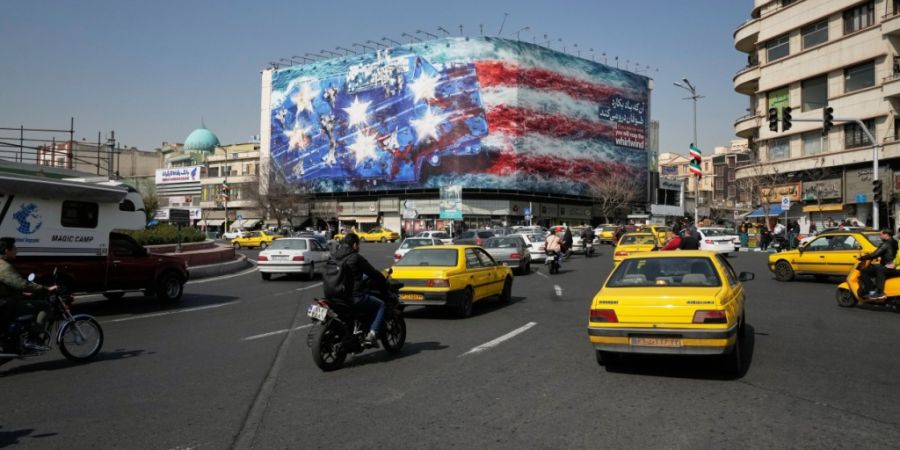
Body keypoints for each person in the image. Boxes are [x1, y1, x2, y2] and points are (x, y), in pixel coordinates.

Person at [330, 233, 388, 345]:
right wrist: (383, 280)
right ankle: (372, 334)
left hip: (335, 295)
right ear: (355, 245)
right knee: (381, 305)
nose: (359, 247)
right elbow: (372, 273)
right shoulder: (355, 258)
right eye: (359, 244)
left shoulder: (334, 256)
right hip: (353, 296)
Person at [0, 237, 55, 352]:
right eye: (14, 248)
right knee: (45, 306)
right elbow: (22, 284)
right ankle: (33, 339)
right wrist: (46, 289)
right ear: (6, 250)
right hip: (6, 304)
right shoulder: (4, 266)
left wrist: (22, 293)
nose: (16, 250)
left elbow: (8, 285)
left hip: (5, 301)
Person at [858, 230, 897, 300]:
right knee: (876, 267)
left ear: (886, 234)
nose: (880, 236)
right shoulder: (895, 242)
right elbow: (887, 253)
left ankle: (874, 291)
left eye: (881, 235)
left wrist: (862, 258)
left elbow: (875, 254)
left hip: (889, 266)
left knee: (864, 271)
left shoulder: (886, 244)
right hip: (890, 265)